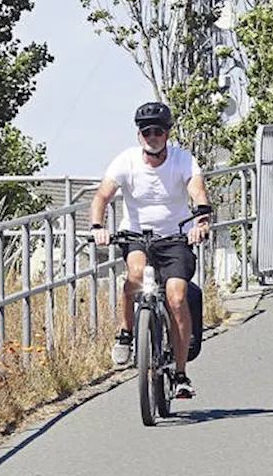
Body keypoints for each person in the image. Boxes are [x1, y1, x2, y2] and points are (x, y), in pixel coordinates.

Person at [90, 102, 213, 399]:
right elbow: (102, 195)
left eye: (158, 131)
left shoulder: (183, 160)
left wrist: (202, 220)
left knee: (177, 296)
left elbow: (197, 190)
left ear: (167, 133)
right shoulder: (126, 160)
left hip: (175, 239)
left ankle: (181, 375)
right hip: (137, 235)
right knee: (134, 274)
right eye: (147, 132)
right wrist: (98, 227)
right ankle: (127, 332)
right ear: (139, 135)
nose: (152, 136)